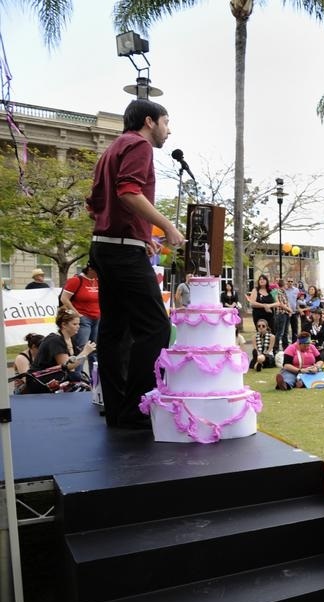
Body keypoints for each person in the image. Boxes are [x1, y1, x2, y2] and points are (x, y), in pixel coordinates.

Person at [86, 99, 185, 428]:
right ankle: (138, 407)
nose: (169, 130)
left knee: (114, 330)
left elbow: (97, 205)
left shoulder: (112, 149)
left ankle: (118, 411)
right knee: (156, 325)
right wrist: (167, 227)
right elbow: (128, 192)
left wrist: (140, 235)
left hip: (105, 247)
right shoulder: (139, 145)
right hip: (122, 253)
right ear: (149, 121)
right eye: (166, 122)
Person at [24, 307, 96, 393]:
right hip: (39, 380)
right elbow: (67, 366)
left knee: (79, 378)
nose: (78, 327)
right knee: (78, 380)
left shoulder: (71, 339)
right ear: (64, 325)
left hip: (55, 378)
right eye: (74, 324)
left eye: (79, 324)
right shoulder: (55, 340)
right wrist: (85, 352)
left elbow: (71, 369)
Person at [59, 263, 100, 374]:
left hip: (97, 318)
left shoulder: (97, 280)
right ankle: (77, 377)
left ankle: (94, 379)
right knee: (82, 349)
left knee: (94, 350)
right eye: (98, 271)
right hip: (83, 318)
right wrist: (77, 314)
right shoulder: (76, 280)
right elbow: (64, 298)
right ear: (90, 269)